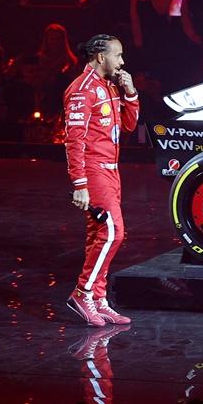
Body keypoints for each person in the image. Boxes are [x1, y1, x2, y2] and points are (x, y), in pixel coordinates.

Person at [64, 35, 140, 326]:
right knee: (113, 232)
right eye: (117, 55)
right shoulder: (81, 90)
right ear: (99, 57)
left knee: (98, 235)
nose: (122, 62)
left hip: (112, 169)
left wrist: (130, 92)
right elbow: (74, 140)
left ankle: (98, 298)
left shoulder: (109, 86)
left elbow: (130, 126)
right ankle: (82, 293)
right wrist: (80, 184)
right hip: (94, 171)